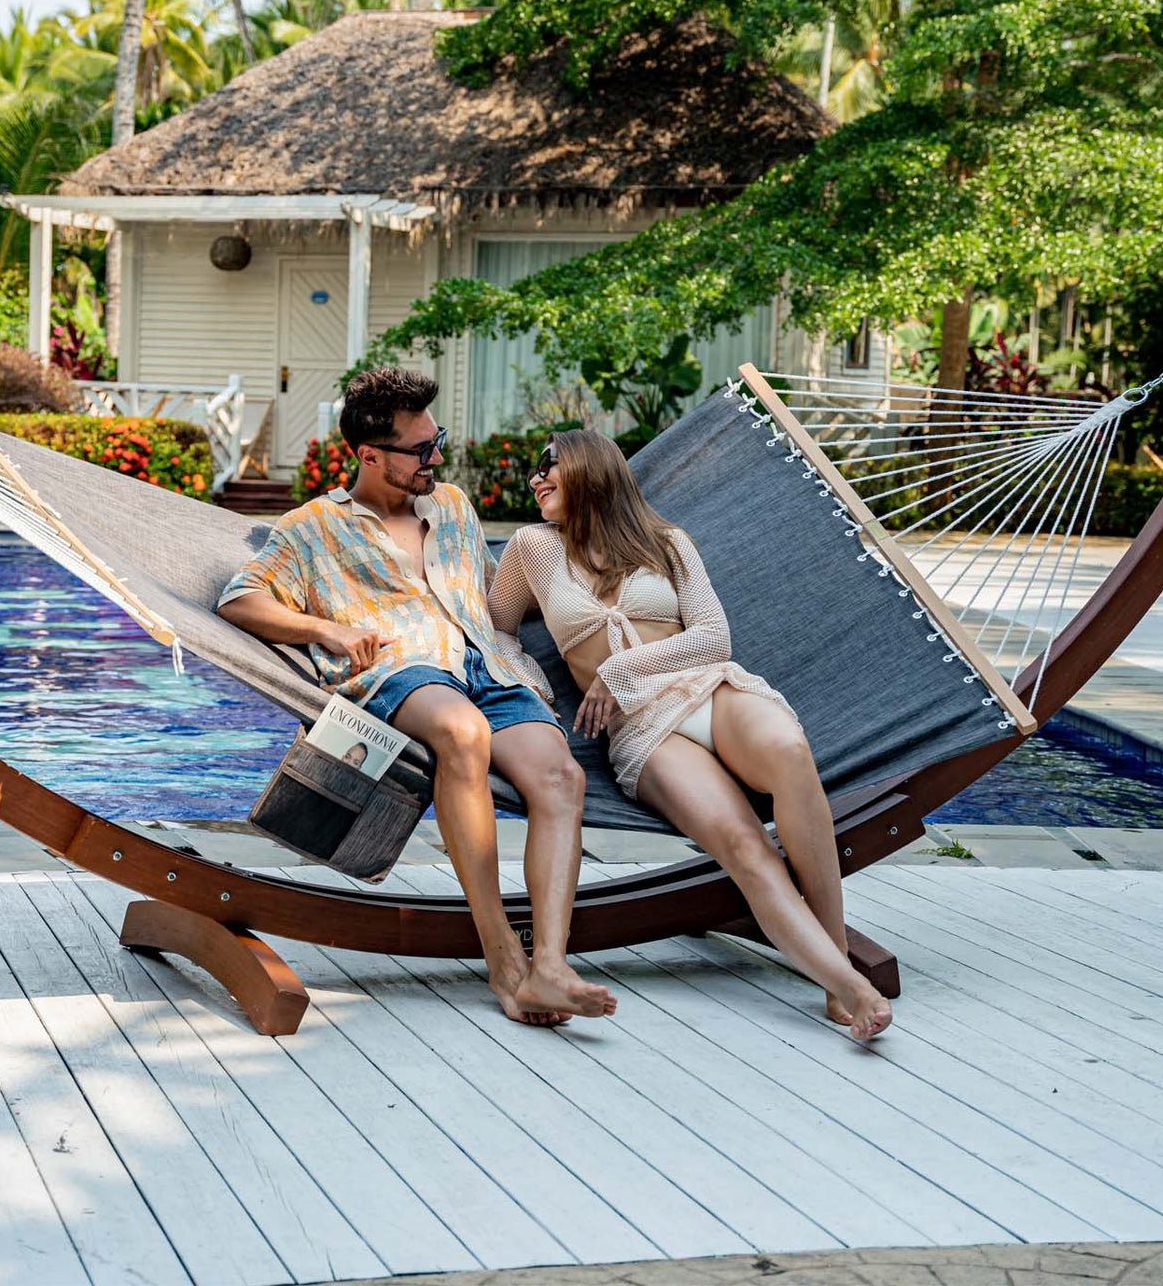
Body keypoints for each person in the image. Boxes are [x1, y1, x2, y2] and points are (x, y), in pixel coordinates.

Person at [218, 368, 615, 1026]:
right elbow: (240, 597)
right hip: (400, 670)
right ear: (369, 455)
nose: (437, 458)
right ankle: (503, 962)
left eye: (439, 442)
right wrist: (328, 628)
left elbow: (496, 595)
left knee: (561, 775)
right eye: (421, 449)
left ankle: (549, 965)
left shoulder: (453, 507)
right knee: (463, 734)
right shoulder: (313, 527)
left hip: (486, 663)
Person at [488, 430, 892, 1040]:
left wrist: (617, 668)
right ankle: (850, 986)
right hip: (643, 729)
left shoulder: (666, 542)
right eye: (534, 471)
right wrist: (533, 686)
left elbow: (713, 637)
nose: (535, 479)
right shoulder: (531, 549)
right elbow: (494, 630)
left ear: (592, 470)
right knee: (742, 842)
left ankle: (831, 954)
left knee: (790, 751)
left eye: (549, 467)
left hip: (710, 688)